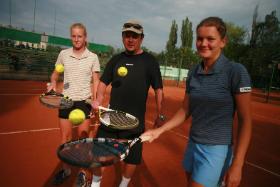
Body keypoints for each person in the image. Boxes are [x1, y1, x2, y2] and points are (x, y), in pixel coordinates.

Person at [142, 17, 252, 187]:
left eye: (210, 39)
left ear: (223, 42)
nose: (203, 43)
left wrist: (237, 164)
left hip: (216, 149)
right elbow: (186, 109)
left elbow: (246, 121)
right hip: (193, 143)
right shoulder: (194, 71)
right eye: (200, 38)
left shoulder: (235, 71)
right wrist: (160, 131)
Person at [90, 19, 164, 187]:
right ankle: (95, 183)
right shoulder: (115, 60)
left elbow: (158, 89)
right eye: (127, 35)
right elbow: (102, 83)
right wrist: (98, 99)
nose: (130, 40)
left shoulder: (150, 62)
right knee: (97, 153)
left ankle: (123, 184)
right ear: (122, 37)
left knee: (132, 158)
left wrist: (160, 113)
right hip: (110, 118)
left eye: (135, 36)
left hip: (134, 122)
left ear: (141, 38)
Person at [48, 23, 100, 186]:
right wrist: (52, 83)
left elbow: (96, 80)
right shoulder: (63, 54)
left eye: (80, 36)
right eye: (74, 36)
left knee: (84, 139)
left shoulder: (93, 57)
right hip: (66, 101)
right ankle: (66, 170)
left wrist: (96, 100)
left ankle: (83, 173)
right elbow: (55, 74)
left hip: (84, 101)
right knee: (65, 138)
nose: (76, 39)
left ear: (85, 38)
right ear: (71, 37)